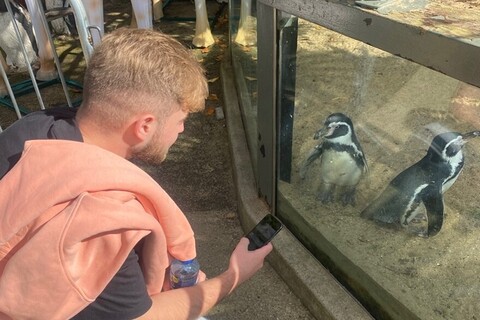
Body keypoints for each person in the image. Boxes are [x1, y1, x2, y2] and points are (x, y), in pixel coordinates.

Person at [0, 28, 272, 319]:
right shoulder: (106, 221)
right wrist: (233, 277)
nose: (181, 129)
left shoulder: (32, 129)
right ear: (144, 126)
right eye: (181, 120)